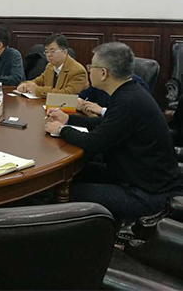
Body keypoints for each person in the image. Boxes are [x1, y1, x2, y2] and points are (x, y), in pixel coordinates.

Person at [45, 42, 182, 222]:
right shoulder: (128, 92)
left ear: (103, 73)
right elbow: (105, 123)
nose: (89, 70)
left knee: (65, 189)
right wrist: (69, 119)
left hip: (146, 193)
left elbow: (93, 143)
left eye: (91, 66)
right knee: (69, 174)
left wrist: (61, 129)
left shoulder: (128, 101)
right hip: (131, 174)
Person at [16, 34, 88, 97]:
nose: (49, 55)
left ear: (65, 52)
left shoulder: (78, 71)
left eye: (53, 51)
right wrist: (25, 85)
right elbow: (38, 81)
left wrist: (37, 90)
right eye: (46, 51)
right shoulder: (50, 66)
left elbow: (67, 94)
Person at [77, 74, 150, 116]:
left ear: (103, 71)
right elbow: (82, 96)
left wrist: (102, 110)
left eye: (91, 67)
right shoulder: (100, 81)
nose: (90, 71)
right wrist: (76, 101)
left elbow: (128, 116)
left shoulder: (136, 87)